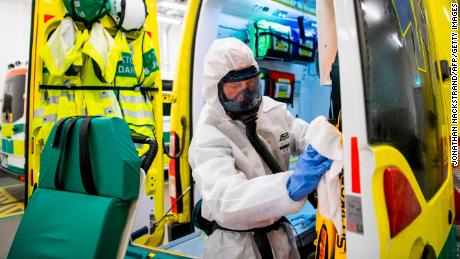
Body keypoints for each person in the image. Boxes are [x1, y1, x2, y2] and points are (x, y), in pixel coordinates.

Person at [189, 37, 334, 259]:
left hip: (281, 237)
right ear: (214, 89)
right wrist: (289, 185)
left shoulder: (270, 110)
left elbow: (300, 135)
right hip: (237, 247)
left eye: (250, 84)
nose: (245, 93)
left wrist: (326, 138)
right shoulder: (208, 134)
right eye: (234, 87)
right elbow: (227, 199)